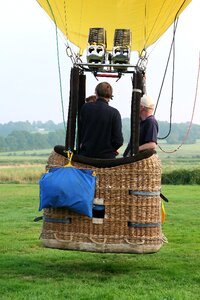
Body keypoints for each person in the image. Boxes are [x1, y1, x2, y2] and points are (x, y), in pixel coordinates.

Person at [79, 82, 123, 159]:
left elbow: (81, 131)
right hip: (106, 159)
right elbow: (118, 141)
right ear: (110, 95)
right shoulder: (114, 113)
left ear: (96, 93)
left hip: (86, 157)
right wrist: (109, 150)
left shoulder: (85, 108)